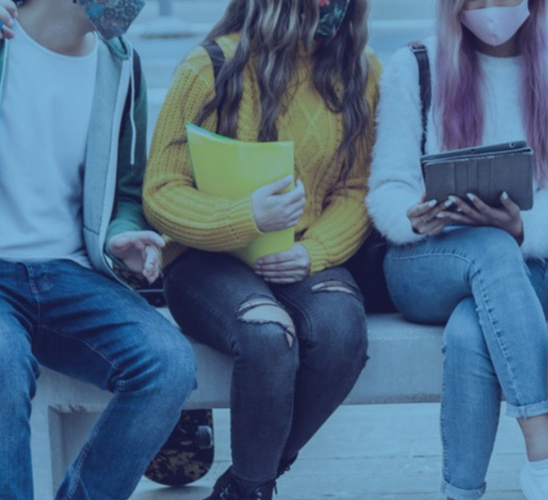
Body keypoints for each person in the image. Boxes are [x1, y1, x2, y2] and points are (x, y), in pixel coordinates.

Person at [0, 0, 197, 499]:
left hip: (69, 275)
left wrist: (120, 234)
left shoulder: (120, 64)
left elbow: (124, 189)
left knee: (169, 364)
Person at [142, 0, 380, 498]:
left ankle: (249, 484)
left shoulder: (361, 72)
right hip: (205, 262)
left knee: (341, 334)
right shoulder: (208, 66)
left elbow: (356, 190)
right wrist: (243, 217)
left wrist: (313, 252)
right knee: (268, 335)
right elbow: (161, 190)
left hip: (300, 256)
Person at [367, 1, 548, 499]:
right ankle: (543, 447)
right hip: (424, 262)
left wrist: (520, 227)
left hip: (519, 262)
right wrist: (412, 215)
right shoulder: (417, 65)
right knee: (485, 248)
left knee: (471, 330)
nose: (488, 7)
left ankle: (460, 493)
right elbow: (387, 184)